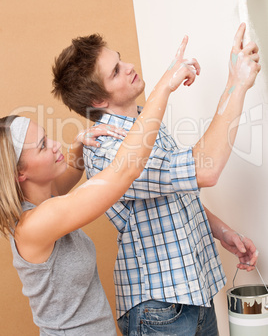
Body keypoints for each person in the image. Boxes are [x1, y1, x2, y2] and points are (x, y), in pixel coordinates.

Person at [52, 23, 260, 335]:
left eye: (121, 60)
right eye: (117, 71)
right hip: (159, 311)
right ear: (97, 101)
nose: (130, 67)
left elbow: (174, 191)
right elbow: (205, 170)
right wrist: (236, 85)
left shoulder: (142, 121)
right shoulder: (108, 149)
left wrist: (222, 231)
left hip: (192, 293)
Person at [0, 37, 196, 336]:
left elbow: (66, 183)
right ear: (19, 175)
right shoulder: (36, 223)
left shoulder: (44, 200)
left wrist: (77, 147)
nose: (55, 145)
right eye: (42, 146)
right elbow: (123, 171)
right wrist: (164, 88)